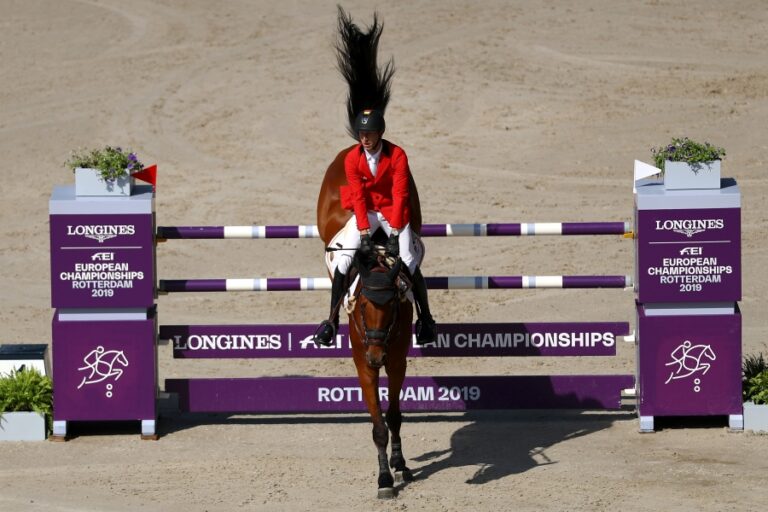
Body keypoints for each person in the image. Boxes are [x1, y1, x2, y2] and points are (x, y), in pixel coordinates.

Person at [314, 109, 437, 347]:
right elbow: (358, 197)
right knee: (343, 261)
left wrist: (395, 233)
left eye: (369, 133)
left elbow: (400, 195)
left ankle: (426, 319)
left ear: (380, 133)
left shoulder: (397, 155)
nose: (365, 138)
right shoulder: (352, 158)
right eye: (362, 133)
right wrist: (363, 232)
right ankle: (331, 321)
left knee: (409, 259)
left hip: (392, 211)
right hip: (367, 211)